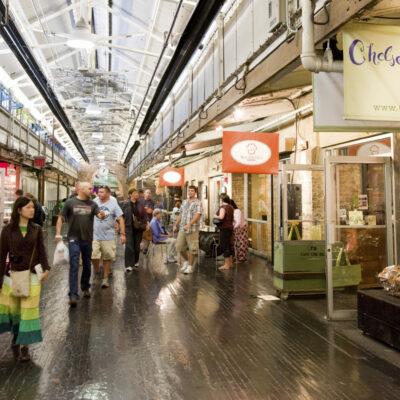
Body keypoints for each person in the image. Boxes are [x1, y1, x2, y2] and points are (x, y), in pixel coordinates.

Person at [0, 196, 50, 361]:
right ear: (19, 210)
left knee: (29, 310)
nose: (32, 210)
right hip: (12, 275)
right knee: (14, 310)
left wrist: (47, 268)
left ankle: (25, 346)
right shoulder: (7, 230)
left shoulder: (36, 229)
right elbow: (2, 255)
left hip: (32, 275)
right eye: (28, 207)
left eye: (33, 207)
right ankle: (16, 335)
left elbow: (41, 250)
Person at [55, 182, 106, 307]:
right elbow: (60, 218)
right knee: (74, 265)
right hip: (73, 239)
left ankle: (85, 287)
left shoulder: (92, 204)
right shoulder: (69, 203)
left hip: (87, 239)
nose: (92, 190)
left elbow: (99, 215)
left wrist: (102, 215)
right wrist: (58, 234)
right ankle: (73, 294)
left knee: (87, 265)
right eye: (89, 188)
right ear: (81, 189)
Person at [92, 186, 126, 288]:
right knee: (93, 255)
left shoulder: (113, 204)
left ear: (108, 194)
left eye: (102, 192)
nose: (99, 194)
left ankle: (105, 277)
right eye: (99, 192)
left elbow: (120, 219)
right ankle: (97, 272)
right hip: (95, 234)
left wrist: (123, 234)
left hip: (108, 235)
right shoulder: (95, 202)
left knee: (107, 257)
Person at [173, 185, 203, 274]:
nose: (190, 192)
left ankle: (190, 266)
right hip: (182, 228)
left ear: (195, 192)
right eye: (189, 190)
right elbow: (181, 214)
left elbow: (197, 215)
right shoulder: (185, 202)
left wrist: (189, 224)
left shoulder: (198, 202)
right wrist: (175, 224)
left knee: (192, 248)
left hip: (192, 229)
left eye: (192, 191)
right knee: (179, 246)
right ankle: (186, 261)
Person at [121, 188, 148, 272]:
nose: (137, 194)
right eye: (135, 193)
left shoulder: (140, 204)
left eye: (137, 193)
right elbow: (121, 215)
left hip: (139, 228)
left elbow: (144, 215)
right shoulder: (126, 204)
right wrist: (119, 226)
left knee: (136, 247)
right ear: (130, 195)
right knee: (129, 247)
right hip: (128, 227)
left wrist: (147, 223)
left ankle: (136, 261)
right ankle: (128, 265)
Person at [213, 194, 234, 270]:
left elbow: (221, 217)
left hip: (224, 228)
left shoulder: (223, 207)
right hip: (230, 228)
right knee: (229, 244)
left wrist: (215, 216)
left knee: (224, 245)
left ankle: (226, 264)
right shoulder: (230, 207)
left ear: (221, 200)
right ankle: (230, 263)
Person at [140, 189, 155, 255]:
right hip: (141, 221)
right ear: (144, 193)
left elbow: (150, 211)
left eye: (149, 193)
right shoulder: (140, 201)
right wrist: (145, 208)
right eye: (147, 193)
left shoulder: (151, 202)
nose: (148, 194)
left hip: (149, 221)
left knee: (148, 236)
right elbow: (139, 211)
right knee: (141, 236)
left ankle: (146, 248)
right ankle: (140, 247)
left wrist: (144, 209)